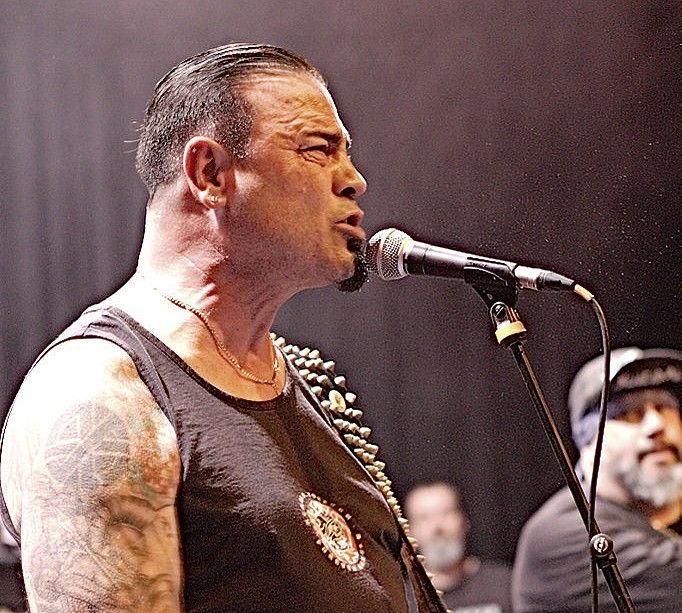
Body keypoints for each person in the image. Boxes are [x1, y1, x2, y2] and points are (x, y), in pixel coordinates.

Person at [0, 43, 445, 612]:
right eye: (318, 149)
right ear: (209, 173)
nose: (353, 180)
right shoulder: (95, 395)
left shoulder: (293, 374)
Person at [512, 347, 682, 612]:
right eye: (629, 413)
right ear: (588, 443)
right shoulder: (562, 533)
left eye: (664, 408)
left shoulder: (640, 526)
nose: (656, 425)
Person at [404, 482, 512, 613]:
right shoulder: (403, 598)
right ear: (409, 531)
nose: (437, 527)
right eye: (424, 518)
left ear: (464, 521)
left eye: (445, 513)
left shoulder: (505, 583)